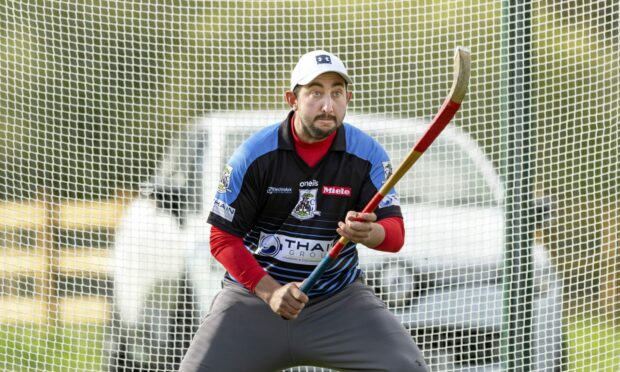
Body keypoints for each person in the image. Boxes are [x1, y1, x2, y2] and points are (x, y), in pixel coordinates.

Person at [179, 50, 428, 371]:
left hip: (338, 303)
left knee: (406, 367)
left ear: (347, 97)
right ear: (292, 99)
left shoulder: (366, 154)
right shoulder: (254, 155)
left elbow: (394, 236)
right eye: (315, 93)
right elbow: (222, 239)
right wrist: (270, 292)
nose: (328, 105)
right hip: (253, 302)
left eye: (337, 93)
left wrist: (370, 231)